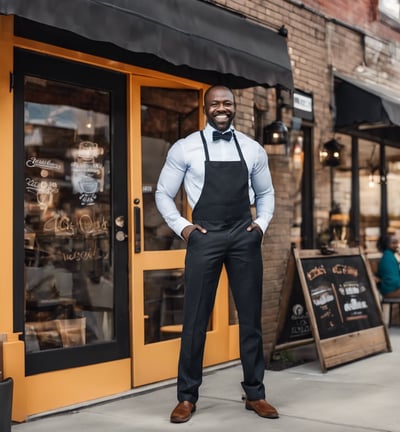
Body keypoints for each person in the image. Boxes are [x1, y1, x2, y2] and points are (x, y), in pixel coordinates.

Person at [155, 85, 277, 423]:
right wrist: (184, 228)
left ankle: (255, 393)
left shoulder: (252, 149)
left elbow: (266, 193)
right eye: (215, 103)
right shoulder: (186, 147)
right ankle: (186, 397)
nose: (221, 107)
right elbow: (164, 193)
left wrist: (261, 226)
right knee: (194, 319)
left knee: (250, 319)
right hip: (204, 237)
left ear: (234, 106)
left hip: (243, 237)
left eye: (227, 102)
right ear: (205, 107)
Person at [377, 233, 400, 298]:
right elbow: (393, 281)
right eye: (393, 243)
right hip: (390, 291)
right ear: (386, 244)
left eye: (396, 242)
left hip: (389, 289)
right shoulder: (388, 257)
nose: (397, 245)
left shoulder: (388, 255)